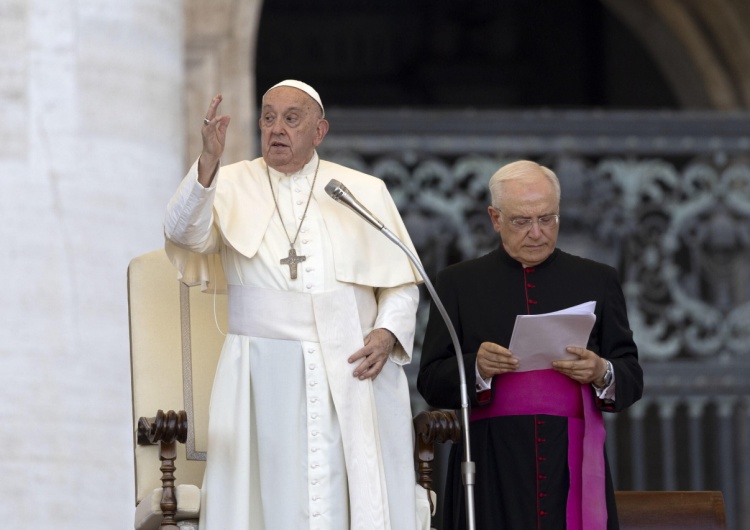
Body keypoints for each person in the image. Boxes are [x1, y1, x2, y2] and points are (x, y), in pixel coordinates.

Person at [164, 80, 426, 529]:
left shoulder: (361, 190)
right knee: (264, 499)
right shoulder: (229, 183)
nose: (277, 129)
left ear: (319, 131)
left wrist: (385, 335)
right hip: (259, 370)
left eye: (291, 118)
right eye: (268, 117)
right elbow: (183, 233)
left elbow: (402, 282)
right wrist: (208, 161)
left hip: (349, 366)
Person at [417, 160, 643, 530]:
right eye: (522, 221)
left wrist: (602, 371)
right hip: (491, 461)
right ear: (495, 218)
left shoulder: (597, 279)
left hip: (569, 457)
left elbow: (631, 374)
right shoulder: (459, 283)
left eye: (547, 219)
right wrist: (476, 367)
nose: (537, 233)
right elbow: (430, 380)